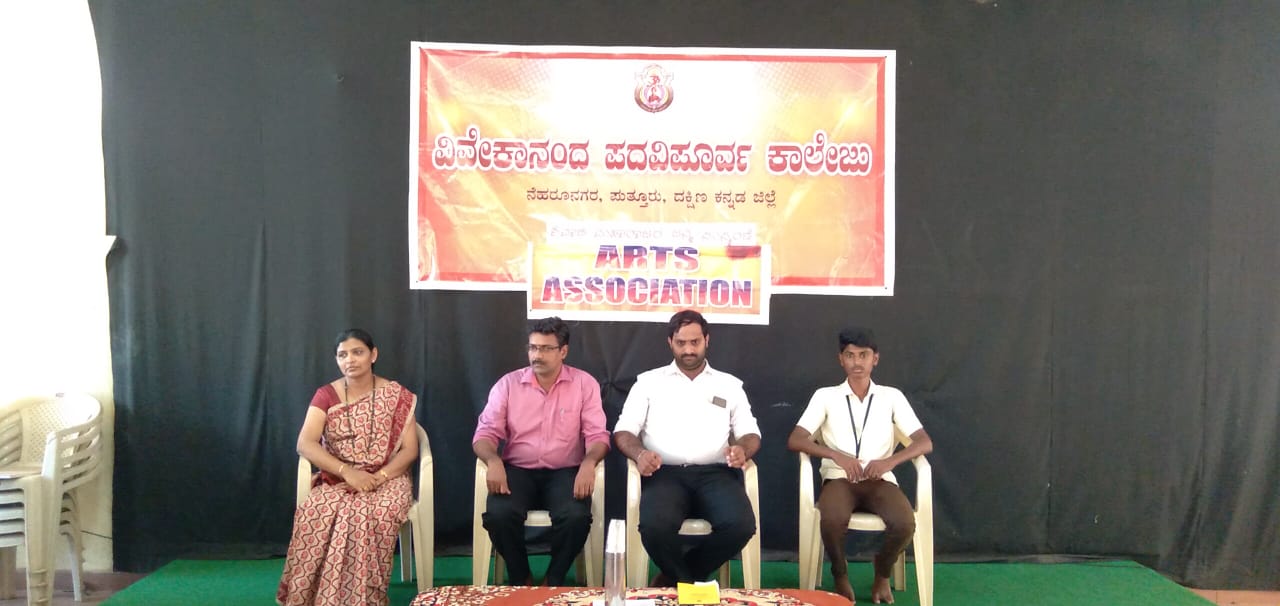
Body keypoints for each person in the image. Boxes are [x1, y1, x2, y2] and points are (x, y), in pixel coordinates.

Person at [613, 309, 760, 586]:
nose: (689, 350)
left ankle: (678, 577)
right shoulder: (648, 383)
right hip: (664, 474)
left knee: (740, 526)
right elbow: (624, 431)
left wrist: (743, 449)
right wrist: (639, 454)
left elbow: (750, 434)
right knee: (654, 528)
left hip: (716, 474)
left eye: (695, 342)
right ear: (670, 342)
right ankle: (687, 582)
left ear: (707, 340)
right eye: (681, 343)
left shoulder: (729, 385)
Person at [787, 327, 933, 605]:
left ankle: (883, 572)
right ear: (840, 359)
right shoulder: (825, 396)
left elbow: (924, 442)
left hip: (879, 480)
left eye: (863, 355)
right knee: (831, 518)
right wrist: (835, 456)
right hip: (839, 478)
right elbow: (796, 439)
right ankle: (839, 573)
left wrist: (889, 461)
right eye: (850, 355)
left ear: (875, 359)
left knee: (904, 523)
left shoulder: (891, 396)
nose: (857, 362)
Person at [277, 329, 419, 606]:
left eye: (357, 352)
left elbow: (410, 450)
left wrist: (379, 477)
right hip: (338, 477)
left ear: (373, 355)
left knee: (375, 513)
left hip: (389, 477)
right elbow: (305, 443)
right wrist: (348, 472)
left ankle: (365, 598)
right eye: (342, 355)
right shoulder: (325, 395)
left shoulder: (396, 395)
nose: (350, 360)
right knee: (315, 511)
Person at [473, 317, 610, 586]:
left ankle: (553, 580)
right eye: (533, 347)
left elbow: (597, 435)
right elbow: (485, 433)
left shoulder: (584, 384)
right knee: (499, 515)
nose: (537, 355)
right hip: (517, 470)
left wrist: (589, 462)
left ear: (563, 351)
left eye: (546, 348)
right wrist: (493, 459)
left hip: (565, 471)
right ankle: (521, 577)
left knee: (576, 517)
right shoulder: (508, 385)